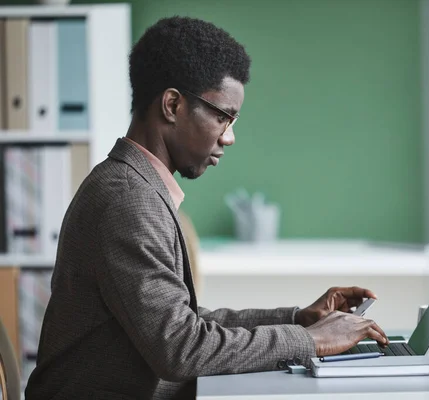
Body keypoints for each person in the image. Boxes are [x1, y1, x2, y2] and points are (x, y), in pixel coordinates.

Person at [24, 16, 389, 400]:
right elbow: (181, 349)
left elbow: (184, 325)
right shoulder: (128, 201)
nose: (229, 137)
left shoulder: (137, 188)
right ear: (172, 105)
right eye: (222, 116)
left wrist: (298, 319)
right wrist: (309, 340)